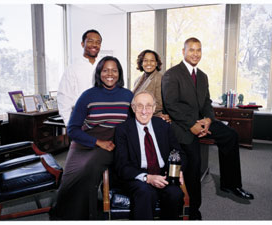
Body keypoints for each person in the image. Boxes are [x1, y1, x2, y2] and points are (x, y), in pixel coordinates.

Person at [161, 37, 254, 220]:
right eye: (191, 50)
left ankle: (231, 184)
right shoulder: (172, 74)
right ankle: (193, 210)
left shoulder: (202, 76)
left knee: (230, 135)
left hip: (202, 120)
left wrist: (209, 120)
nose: (195, 54)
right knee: (194, 164)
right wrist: (192, 125)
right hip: (182, 125)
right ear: (183, 51)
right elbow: (171, 105)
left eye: (198, 50)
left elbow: (206, 102)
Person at [50, 56, 133, 220]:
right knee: (71, 177)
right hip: (85, 140)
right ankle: (64, 215)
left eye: (114, 70)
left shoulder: (128, 96)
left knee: (90, 168)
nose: (110, 74)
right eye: (105, 70)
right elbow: (73, 129)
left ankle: (86, 216)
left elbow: (135, 122)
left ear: (119, 73)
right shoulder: (88, 95)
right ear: (99, 73)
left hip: (112, 141)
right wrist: (97, 142)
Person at [114, 90, 185, 220]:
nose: (144, 111)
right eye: (140, 106)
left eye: (148, 106)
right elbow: (121, 165)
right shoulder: (123, 130)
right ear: (133, 108)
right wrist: (147, 178)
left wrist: (178, 170)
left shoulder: (163, 126)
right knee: (145, 193)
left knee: (175, 194)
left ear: (153, 108)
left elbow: (179, 152)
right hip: (137, 177)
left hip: (163, 174)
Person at [57, 29, 102, 126]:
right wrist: (69, 124)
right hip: (81, 119)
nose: (94, 45)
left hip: (103, 118)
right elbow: (64, 98)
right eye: (90, 41)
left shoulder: (104, 66)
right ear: (82, 44)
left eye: (98, 42)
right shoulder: (73, 68)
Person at [133, 50, 169, 122]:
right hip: (139, 119)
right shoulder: (138, 80)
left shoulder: (159, 78)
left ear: (156, 63)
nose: (148, 63)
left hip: (154, 119)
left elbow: (159, 104)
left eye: (152, 60)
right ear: (141, 63)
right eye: (145, 60)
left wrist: (140, 111)